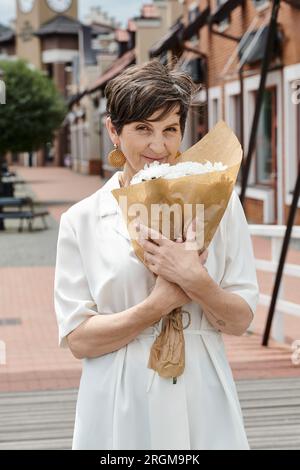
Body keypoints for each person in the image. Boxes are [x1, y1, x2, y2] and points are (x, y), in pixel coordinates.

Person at [54, 60, 259, 450]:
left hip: (202, 390)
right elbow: (79, 339)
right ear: (113, 130)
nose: (159, 146)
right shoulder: (82, 220)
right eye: (142, 129)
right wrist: (158, 304)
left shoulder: (220, 204)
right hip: (119, 395)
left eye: (170, 129)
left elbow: (239, 321)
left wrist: (196, 282)